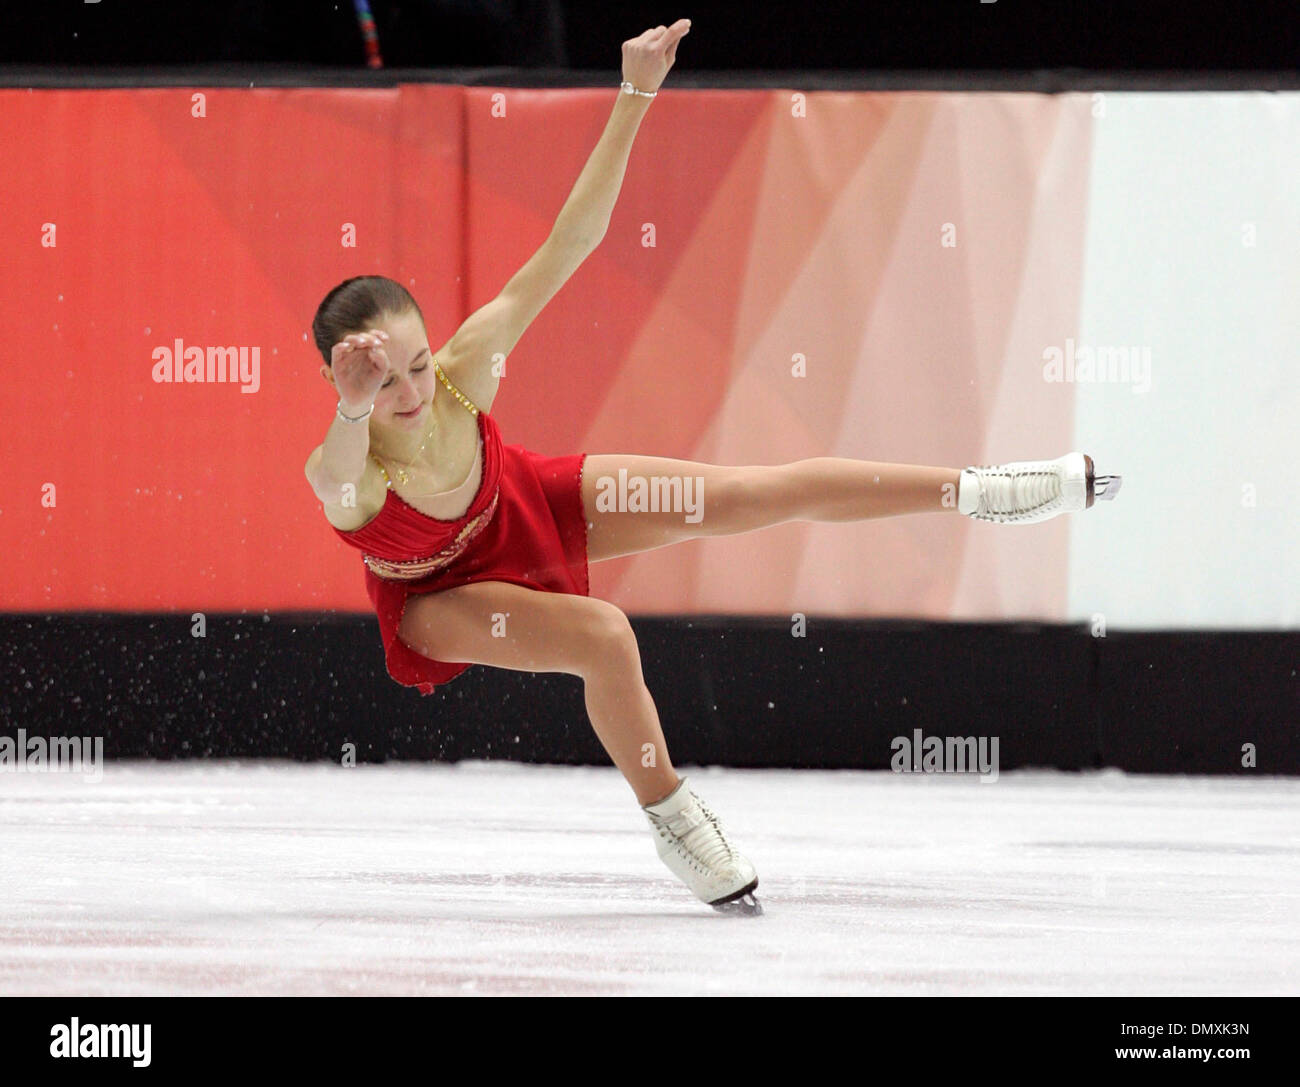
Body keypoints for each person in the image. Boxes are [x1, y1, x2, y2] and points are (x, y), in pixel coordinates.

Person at [304, 20, 1120, 915]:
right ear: (347, 382)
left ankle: (978, 492)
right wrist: (355, 405)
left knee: (751, 492)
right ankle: (674, 817)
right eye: (386, 381)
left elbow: (570, 243)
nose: (414, 389)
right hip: (436, 597)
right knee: (605, 636)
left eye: (419, 365)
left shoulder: (465, 369)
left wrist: (635, 95)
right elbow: (339, 478)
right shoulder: (348, 468)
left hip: (526, 500)